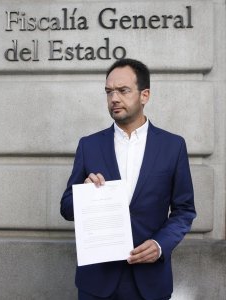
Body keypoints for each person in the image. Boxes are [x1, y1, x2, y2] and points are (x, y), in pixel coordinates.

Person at [60, 58, 196, 300]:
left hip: (150, 281)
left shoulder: (173, 146)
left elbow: (184, 210)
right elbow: (66, 207)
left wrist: (160, 245)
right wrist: (84, 194)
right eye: (109, 91)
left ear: (145, 95)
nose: (114, 98)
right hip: (97, 283)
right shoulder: (89, 145)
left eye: (123, 90)